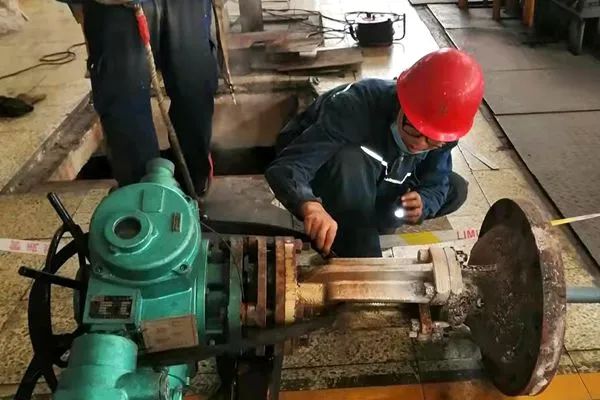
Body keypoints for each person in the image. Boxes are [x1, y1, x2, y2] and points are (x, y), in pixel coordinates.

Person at [265, 48, 484, 257]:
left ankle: (364, 224)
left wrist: (424, 202)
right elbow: (287, 168)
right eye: (414, 130)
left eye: (432, 140)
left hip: (379, 179)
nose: (419, 144)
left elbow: (437, 182)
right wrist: (309, 205)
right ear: (402, 103)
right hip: (327, 172)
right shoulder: (353, 107)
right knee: (351, 159)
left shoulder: (442, 133)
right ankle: (359, 245)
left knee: (456, 188)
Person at [71, 0, 218, 194]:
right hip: (115, 11)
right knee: (126, 109)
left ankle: (193, 192)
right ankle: (142, 201)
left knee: (195, 94)